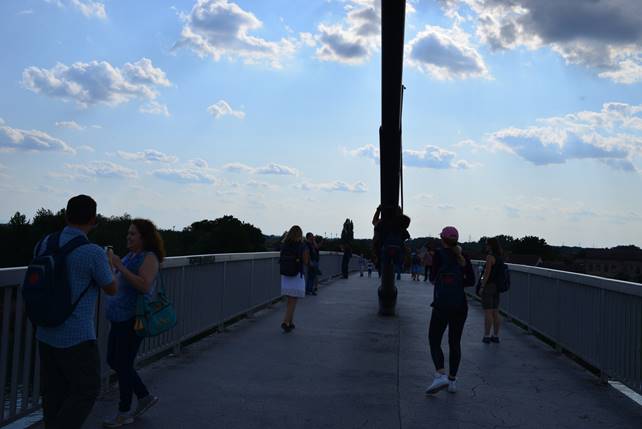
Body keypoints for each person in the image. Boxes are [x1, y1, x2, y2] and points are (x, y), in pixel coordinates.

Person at [35, 195, 118, 429]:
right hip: (77, 335)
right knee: (87, 389)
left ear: (66, 215)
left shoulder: (43, 243)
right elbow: (111, 288)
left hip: (44, 331)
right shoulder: (92, 252)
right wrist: (110, 263)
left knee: (53, 392)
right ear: (94, 220)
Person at [103, 219, 164, 427]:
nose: (128, 237)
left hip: (133, 320)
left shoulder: (149, 257)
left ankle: (123, 412)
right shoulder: (131, 256)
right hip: (119, 318)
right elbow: (119, 283)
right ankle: (144, 396)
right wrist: (112, 267)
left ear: (144, 237)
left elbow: (144, 286)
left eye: (133, 234)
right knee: (115, 360)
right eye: (128, 233)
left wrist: (120, 266)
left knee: (122, 364)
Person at [425, 226, 475, 395]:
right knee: (455, 343)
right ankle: (452, 381)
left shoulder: (439, 255)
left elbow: (432, 278)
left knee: (434, 339)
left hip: (442, 305)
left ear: (442, 239)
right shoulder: (464, 256)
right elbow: (471, 282)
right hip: (460, 305)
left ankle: (440, 374)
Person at [280, 226, 309, 332]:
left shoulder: (284, 245)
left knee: (290, 300)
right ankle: (285, 321)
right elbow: (305, 261)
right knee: (293, 299)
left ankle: (290, 323)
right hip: (296, 274)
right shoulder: (302, 245)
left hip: (285, 274)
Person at [479, 237, 503, 344]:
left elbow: (487, 273)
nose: (486, 246)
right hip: (497, 287)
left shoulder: (490, 257)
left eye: (487, 244)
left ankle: (487, 335)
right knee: (495, 311)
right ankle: (496, 335)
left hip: (489, 287)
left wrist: (482, 286)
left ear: (491, 245)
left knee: (488, 312)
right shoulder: (500, 257)